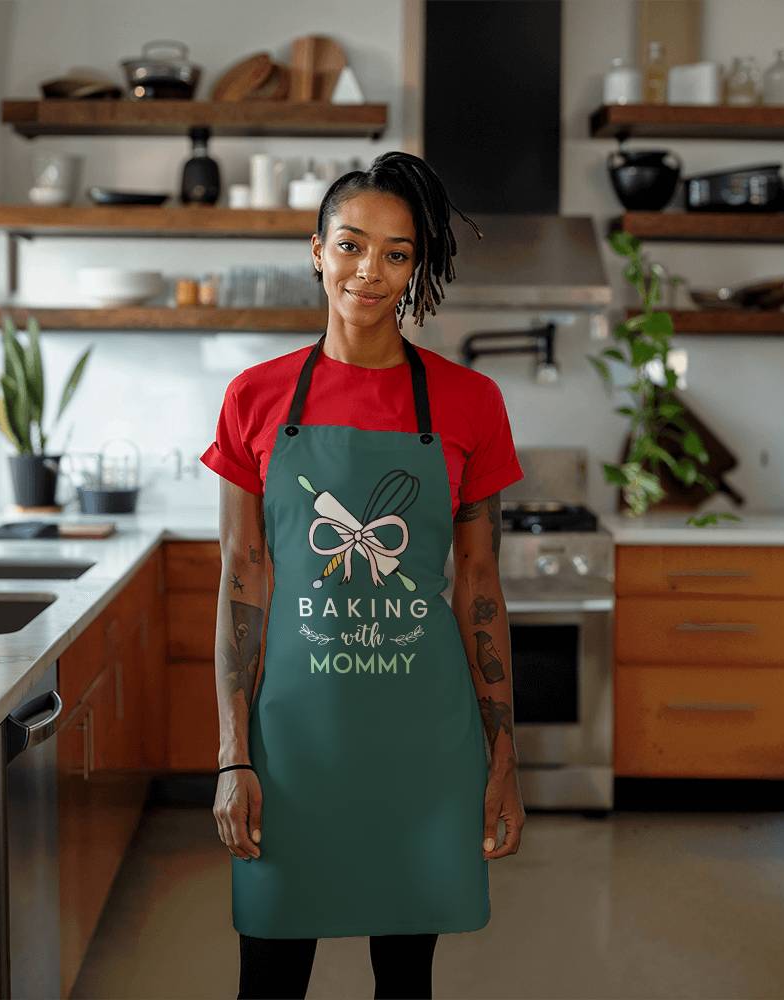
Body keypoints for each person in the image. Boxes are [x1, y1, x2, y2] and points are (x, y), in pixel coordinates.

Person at [200, 150, 526, 1000]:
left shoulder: (469, 403)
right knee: (269, 972)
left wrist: (503, 755)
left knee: (405, 981)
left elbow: (480, 588)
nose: (369, 273)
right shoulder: (254, 399)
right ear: (316, 250)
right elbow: (243, 577)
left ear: (418, 267)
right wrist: (234, 756)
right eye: (350, 245)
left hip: (425, 743)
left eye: (396, 253)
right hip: (293, 745)